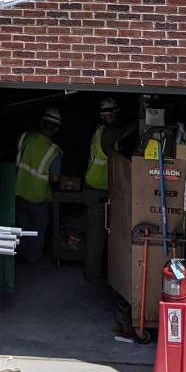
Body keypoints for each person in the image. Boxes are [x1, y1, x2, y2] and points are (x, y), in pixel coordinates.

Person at [83, 97, 126, 284]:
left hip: (98, 189)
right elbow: (125, 131)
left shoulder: (101, 130)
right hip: (96, 191)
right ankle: (92, 273)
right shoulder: (108, 133)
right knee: (96, 235)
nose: (110, 117)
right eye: (108, 114)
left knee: (99, 233)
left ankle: (98, 271)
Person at [13, 108, 63, 265]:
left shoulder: (25, 137)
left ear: (42, 123)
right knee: (37, 232)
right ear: (56, 128)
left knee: (21, 228)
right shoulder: (54, 151)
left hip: (19, 192)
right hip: (39, 198)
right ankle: (32, 260)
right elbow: (54, 178)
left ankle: (18, 257)